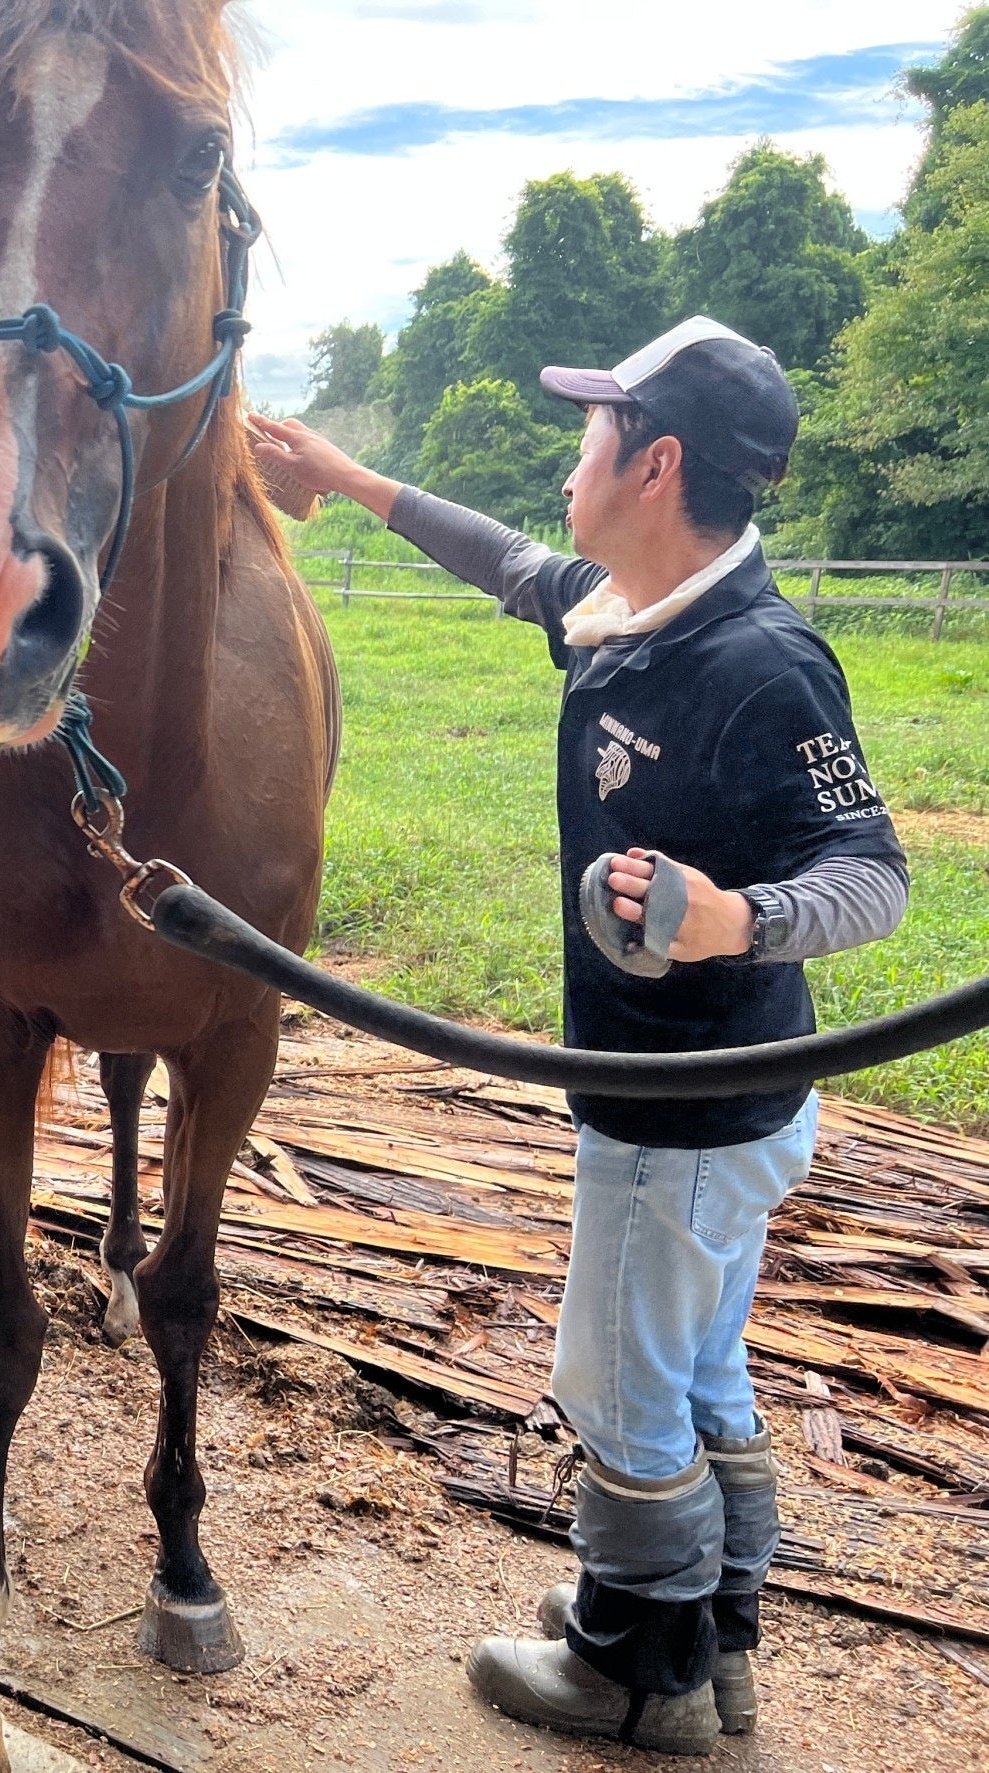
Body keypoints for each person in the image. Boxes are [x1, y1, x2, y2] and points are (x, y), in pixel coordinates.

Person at [253, 317, 908, 1757]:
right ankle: (712, 1632)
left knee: (615, 1385)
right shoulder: (638, 607)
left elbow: (872, 871)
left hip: (685, 1111)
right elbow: (511, 562)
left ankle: (632, 1666)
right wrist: (350, 480)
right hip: (716, 1110)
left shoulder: (762, 663)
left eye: (591, 435)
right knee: (696, 1369)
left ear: (655, 461)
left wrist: (732, 918)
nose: (572, 463)